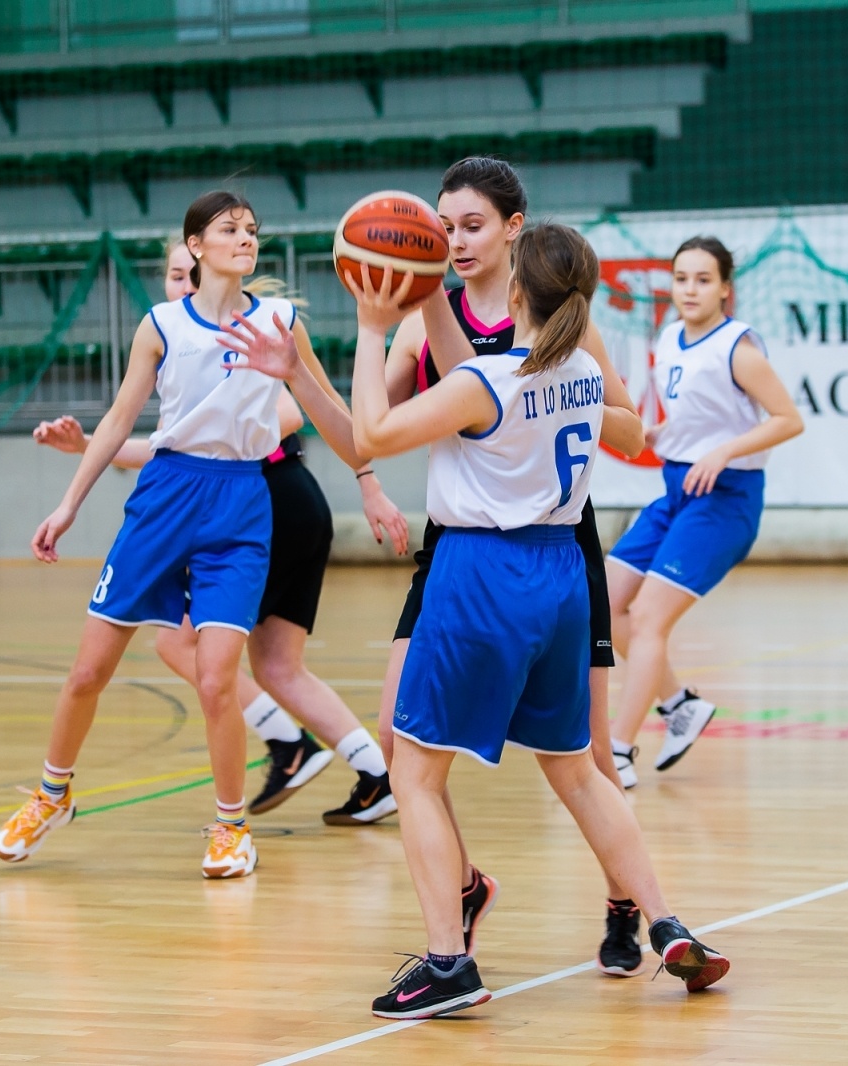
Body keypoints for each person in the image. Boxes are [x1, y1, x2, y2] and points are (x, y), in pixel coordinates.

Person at [223, 224, 729, 1019]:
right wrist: (313, 365)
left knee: (416, 773)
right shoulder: (586, 375)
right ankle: (665, 920)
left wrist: (366, 331)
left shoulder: (487, 385)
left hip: (482, 578)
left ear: (516, 294)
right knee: (578, 772)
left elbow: (374, 437)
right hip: (564, 574)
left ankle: (449, 962)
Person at [0, 190, 370, 879]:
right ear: (196, 245)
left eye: (252, 230)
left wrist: (370, 483)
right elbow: (116, 421)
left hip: (241, 503)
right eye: (230, 229)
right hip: (166, 498)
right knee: (87, 673)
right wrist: (68, 503)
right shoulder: (162, 324)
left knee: (217, 679)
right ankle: (53, 794)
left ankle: (230, 828)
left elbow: (326, 407)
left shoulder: (281, 322)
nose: (246, 238)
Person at [376, 157, 654, 977]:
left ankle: (624, 903)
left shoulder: (560, 318)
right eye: (443, 226)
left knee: (588, 757)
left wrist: (540, 405)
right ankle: (460, 889)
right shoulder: (423, 314)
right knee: (401, 736)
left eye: (470, 225)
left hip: (556, 541)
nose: (455, 241)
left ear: (512, 227)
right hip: (458, 546)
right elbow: (381, 418)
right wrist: (367, 484)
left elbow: (631, 424)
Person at [606, 236, 804, 783]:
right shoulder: (670, 337)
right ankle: (681, 706)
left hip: (726, 498)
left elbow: (788, 419)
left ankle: (619, 749)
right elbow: (702, 416)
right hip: (676, 489)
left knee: (647, 619)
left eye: (702, 279)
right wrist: (660, 431)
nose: (690, 289)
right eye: (682, 278)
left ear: (725, 289)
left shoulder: (738, 347)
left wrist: (724, 450)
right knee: (604, 601)